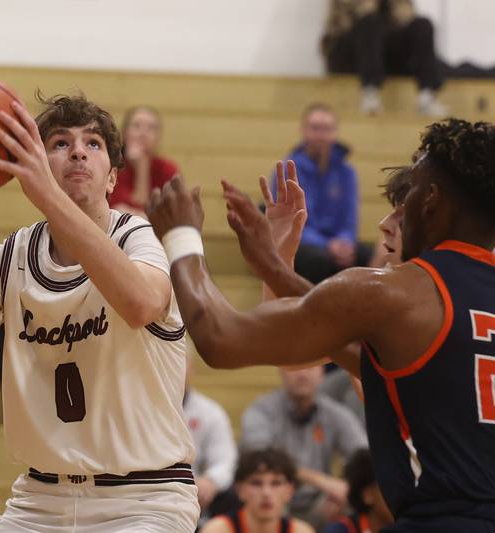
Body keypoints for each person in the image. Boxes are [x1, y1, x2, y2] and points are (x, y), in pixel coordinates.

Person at [146, 117, 495, 531]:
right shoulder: (428, 310)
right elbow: (346, 340)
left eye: (407, 200)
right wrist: (276, 269)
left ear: (431, 200)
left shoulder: (396, 294)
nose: (389, 222)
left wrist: (180, 236)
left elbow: (221, 340)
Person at [0, 94, 198, 531]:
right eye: (59, 143)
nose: (78, 150)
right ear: (34, 163)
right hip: (39, 500)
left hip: (145, 499)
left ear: (112, 178)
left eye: (93, 144)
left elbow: (140, 303)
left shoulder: (139, 238)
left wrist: (47, 195)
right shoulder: (12, 256)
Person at [240, 367, 367, 529]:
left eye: (311, 366)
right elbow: (260, 459)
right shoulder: (260, 411)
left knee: (356, 499)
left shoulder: (334, 413)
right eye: (295, 366)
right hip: (273, 494)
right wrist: (322, 481)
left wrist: (346, 486)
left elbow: (363, 458)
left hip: (319, 503)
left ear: (322, 373)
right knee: (265, 492)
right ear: (281, 370)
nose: (302, 373)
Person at [280, 103, 371, 285]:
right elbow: (289, 223)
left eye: (327, 129)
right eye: (315, 128)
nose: (321, 135)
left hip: (336, 243)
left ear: (335, 132)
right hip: (302, 244)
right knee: (317, 259)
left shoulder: (347, 172)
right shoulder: (288, 170)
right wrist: (327, 245)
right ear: (303, 131)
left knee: (373, 257)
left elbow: (350, 218)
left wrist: (345, 242)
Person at [321, 0, 446, 116]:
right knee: (370, 22)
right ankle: (370, 92)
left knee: (423, 24)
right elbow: (339, 25)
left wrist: (399, 13)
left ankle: (426, 95)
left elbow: (406, 17)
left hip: (383, 57)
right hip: (351, 55)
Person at [202, 449, 314, 533]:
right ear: (240, 489)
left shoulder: (302, 531)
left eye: (276, 483)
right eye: (256, 483)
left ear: (290, 490)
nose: (266, 493)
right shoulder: (216, 530)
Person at [183, 351, 238, 517]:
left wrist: (211, 480)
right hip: (147, 492)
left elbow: (225, 460)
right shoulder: (134, 409)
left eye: (180, 362)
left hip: (196, 492)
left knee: (232, 496)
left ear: (192, 370)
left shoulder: (210, 412)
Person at [109, 106, 180, 217]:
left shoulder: (168, 169)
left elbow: (174, 215)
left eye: (151, 128)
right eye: (136, 126)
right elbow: (117, 213)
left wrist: (142, 167)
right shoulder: (113, 167)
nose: (143, 133)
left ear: (157, 138)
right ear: (124, 133)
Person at [324, 449, 395, 533]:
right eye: (391, 486)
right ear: (368, 495)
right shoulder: (340, 530)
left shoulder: (407, 525)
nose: (399, 495)